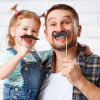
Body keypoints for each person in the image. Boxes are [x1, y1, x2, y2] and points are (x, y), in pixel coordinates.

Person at [38, 4, 100, 100]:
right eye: (53, 24)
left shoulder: (97, 64)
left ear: (78, 30)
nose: (59, 29)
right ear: (46, 34)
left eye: (66, 22)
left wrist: (80, 81)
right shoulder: (37, 69)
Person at [0, 4, 55, 100]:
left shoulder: (37, 56)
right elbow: (1, 74)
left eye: (34, 31)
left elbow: (54, 50)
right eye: (25, 29)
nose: (30, 33)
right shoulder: (8, 55)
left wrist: (82, 48)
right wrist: (19, 56)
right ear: (13, 32)